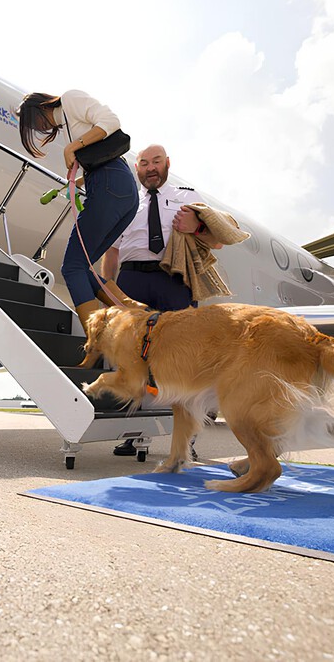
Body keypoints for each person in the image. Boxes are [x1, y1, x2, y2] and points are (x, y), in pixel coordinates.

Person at [101, 144, 233, 457]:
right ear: (137, 170)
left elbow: (218, 240)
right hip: (132, 279)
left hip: (175, 280)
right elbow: (112, 252)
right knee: (133, 359)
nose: (150, 168)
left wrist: (196, 226)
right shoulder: (126, 202)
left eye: (156, 161)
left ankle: (187, 441)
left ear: (167, 163)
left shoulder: (187, 196)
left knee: (185, 360)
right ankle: (133, 434)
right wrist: (111, 295)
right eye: (144, 163)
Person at [16, 91, 144, 337]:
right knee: (84, 268)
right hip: (120, 189)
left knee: (72, 267)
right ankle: (139, 313)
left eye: (33, 121)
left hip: (110, 183)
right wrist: (79, 181)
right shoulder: (67, 121)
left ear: (39, 108)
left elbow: (111, 122)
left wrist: (74, 146)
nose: (38, 128)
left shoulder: (70, 99)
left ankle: (96, 340)